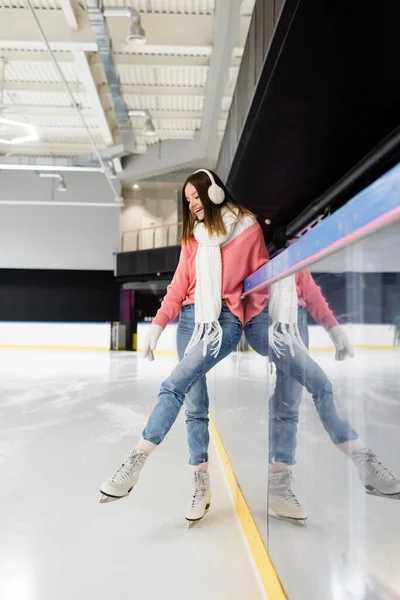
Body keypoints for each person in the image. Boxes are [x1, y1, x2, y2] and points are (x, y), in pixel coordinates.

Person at [99, 169, 269, 526]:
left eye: (197, 197)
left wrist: (243, 318)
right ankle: (201, 483)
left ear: (216, 194)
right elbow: (179, 285)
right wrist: (158, 325)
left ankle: (136, 460)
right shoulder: (194, 236)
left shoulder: (248, 228)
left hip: (223, 321)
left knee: (174, 384)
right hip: (190, 320)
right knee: (194, 403)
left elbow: (262, 278)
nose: (192, 205)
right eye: (188, 199)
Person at [244, 269, 400, 524]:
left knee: (288, 402)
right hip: (261, 320)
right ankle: (363, 459)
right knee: (321, 385)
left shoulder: (294, 244)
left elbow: (307, 287)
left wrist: (333, 328)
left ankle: (278, 484)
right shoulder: (254, 236)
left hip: (297, 319)